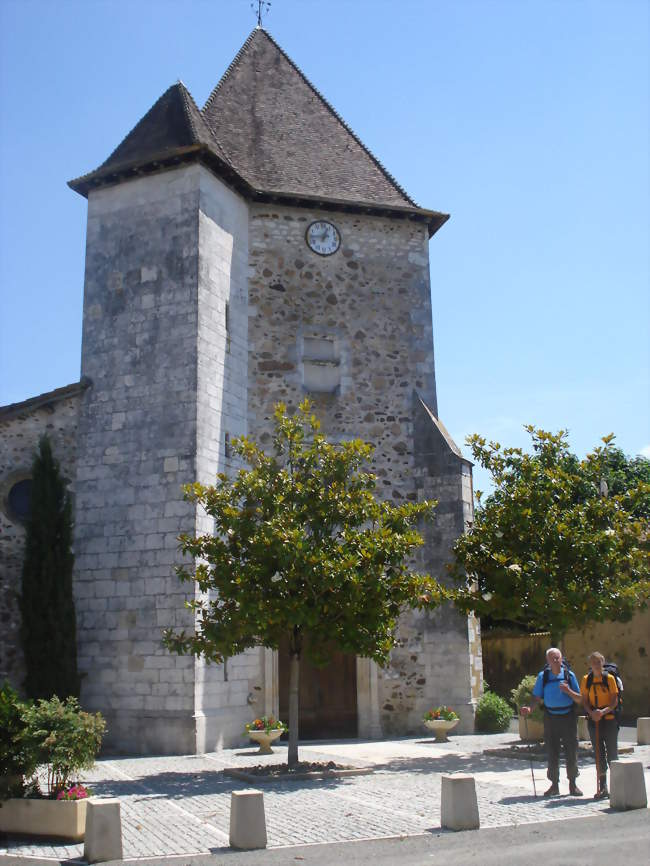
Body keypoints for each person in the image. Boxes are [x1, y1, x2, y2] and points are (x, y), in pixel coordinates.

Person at [521, 647, 583, 796]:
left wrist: (568, 691)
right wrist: (530, 709)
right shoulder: (544, 676)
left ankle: (573, 784)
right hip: (550, 717)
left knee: (571, 750)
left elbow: (580, 699)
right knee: (552, 751)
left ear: (561, 659)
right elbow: (537, 698)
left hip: (568, 717)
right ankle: (554, 785)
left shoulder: (569, 675)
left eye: (557, 658)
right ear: (547, 661)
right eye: (552, 658)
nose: (555, 660)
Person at [580, 651, 619, 799]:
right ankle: (603, 787)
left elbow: (614, 700)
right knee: (598, 754)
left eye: (599, 662)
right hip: (594, 720)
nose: (596, 664)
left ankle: (617, 785)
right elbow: (584, 700)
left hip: (608, 719)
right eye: (593, 662)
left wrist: (602, 712)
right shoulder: (586, 679)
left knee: (612, 753)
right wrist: (591, 712)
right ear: (590, 664)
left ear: (603, 663)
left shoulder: (609, 679)